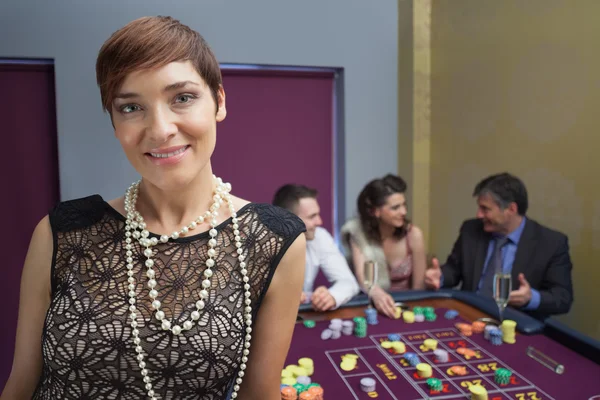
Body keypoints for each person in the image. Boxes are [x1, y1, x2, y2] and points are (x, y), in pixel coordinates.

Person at [1, 16, 306, 400]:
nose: (160, 129)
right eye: (131, 107)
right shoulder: (61, 231)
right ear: (114, 122)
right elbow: (21, 383)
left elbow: (258, 394)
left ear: (219, 101)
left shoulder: (273, 240)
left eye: (182, 98)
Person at [425, 172, 573, 318]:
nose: (479, 215)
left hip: (516, 324)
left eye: (485, 209)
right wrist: (440, 276)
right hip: (468, 316)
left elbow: (563, 298)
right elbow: (454, 269)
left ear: (511, 209)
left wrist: (530, 298)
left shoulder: (551, 243)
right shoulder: (471, 229)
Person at [341, 174, 426, 319]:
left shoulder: (414, 235)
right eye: (395, 208)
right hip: (370, 308)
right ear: (375, 211)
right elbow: (364, 278)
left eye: (404, 205)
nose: (404, 212)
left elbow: (418, 288)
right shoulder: (358, 234)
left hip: (405, 310)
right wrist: (376, 292)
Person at [273, 184, 360, 311]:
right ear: (288, 220)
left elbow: (349, 282)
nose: (319, 222)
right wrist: (282, 297)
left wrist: (332, 296)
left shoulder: (320, 236)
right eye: (312, 216)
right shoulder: (261, 243)